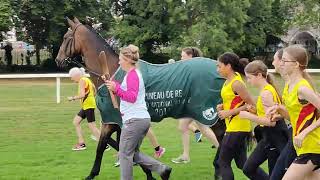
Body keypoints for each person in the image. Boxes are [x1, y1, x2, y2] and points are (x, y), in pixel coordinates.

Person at [105, 44, 172, 180]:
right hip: (138, 120)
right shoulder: (131, 75)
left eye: (120, 59)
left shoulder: (133, 75)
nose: (119, 62)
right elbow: (126, 92)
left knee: (124, 154)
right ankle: (162, 169)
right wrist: (113, 85)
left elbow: (131, 97)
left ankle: (160, 169)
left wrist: (116, 88)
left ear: (128, 60)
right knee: (132, 153)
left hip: (134, 120)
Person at [268, 45, 320, 180]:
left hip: (313, 146)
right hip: (302, 146)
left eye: (285, 60)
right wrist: (279, 111)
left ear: (296, 64)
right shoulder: (288, 85)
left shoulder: (302, 88)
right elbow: (295, 117)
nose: (281, 63)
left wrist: (303, 133)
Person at [239, 60, 288, 179]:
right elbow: (269, 114)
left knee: (272, 174)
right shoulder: (268, 89)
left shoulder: (266, 93)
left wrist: (248, 116)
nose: (248, 81)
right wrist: (255, 112)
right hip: (269, 137)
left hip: (275, 136)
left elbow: (271, 121)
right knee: (249, 168)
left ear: (259, 75)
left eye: (249, 78)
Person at [172, 47, 220, 164]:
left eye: (183, 56)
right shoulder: (190, 68)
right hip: (193, 101)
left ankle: (186, 155)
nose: (181, 58)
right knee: (200, 127)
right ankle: (186, 155)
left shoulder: (195, 69)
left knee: (184, 126)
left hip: (196, 101)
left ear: (190, 56)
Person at [216, 52, 254, 180]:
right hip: (233, 126)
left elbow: (251, 105)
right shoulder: (227, 82)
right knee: (242, 164)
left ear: (229, 66)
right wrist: (222, 107)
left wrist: (229, 112)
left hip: (238, 127)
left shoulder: (237, 83)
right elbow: (234, 102)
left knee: (223, 162)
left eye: (219, 66)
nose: (218, 69)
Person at [67, 67, 102, 151]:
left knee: (92, 126)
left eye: (72, 77)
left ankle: (104, 143)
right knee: (76, 121)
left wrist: (72, 98)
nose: (71, 79)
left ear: (76, 75)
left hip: (88, 105)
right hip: (87, 105)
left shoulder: (82, 80)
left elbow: (82, 95)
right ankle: (81, 143)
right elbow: (94, 91)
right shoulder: (87, 80)